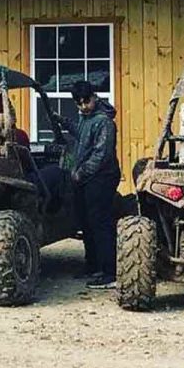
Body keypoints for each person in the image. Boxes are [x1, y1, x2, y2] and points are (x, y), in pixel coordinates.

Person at [54, 80, 119, 289]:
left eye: (86, 101)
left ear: (94, 97)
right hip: (85, 178)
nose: (83, 106)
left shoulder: (105, 122)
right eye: (79, 103)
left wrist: (80, 173)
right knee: (86, 222)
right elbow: (82, 135)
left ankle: (109, 272)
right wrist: (62, 121)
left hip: (102, 177)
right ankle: (92, 266)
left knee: (100, 222)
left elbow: (101, 154)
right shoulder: (86, 118)